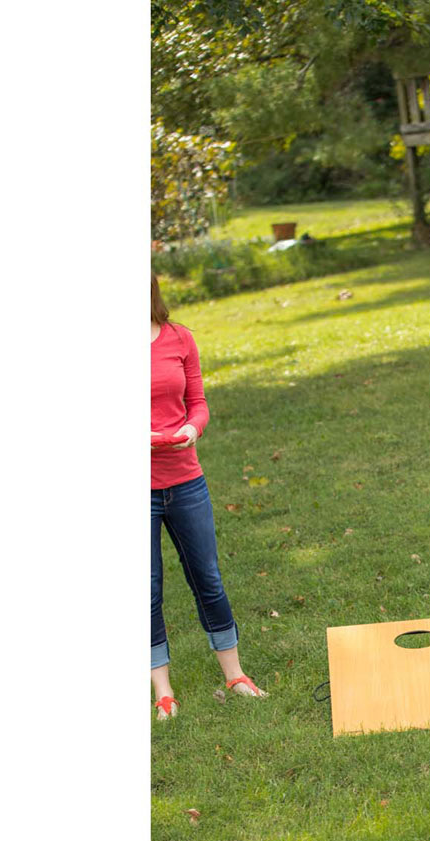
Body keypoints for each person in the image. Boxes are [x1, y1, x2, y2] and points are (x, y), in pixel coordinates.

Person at [151, 274, 264, 719]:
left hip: (185, 478)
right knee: (146, 588)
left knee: (208, 579)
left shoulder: (179, 338)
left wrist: (190, 429)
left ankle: (234, 674)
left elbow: (197, 402)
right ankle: (163, 690)